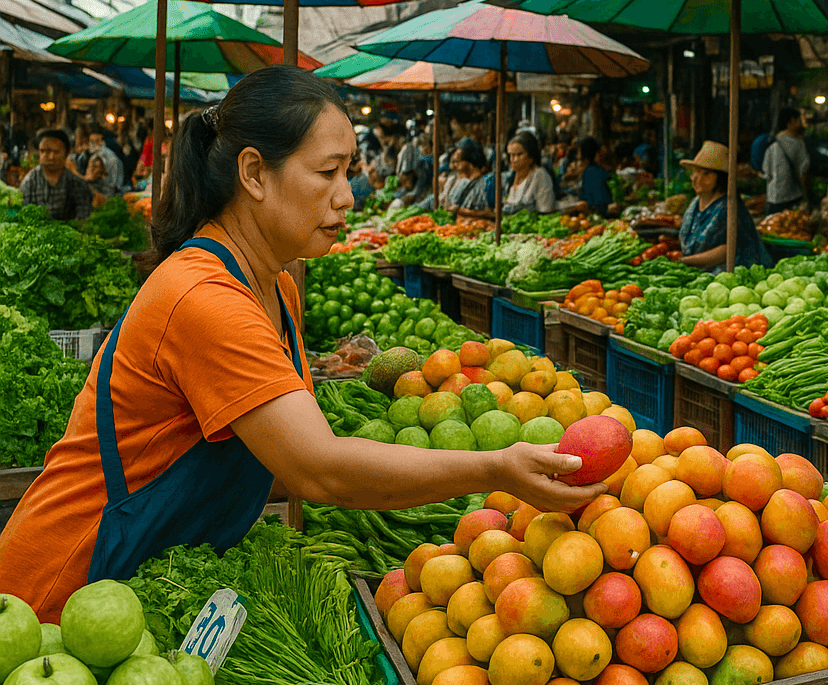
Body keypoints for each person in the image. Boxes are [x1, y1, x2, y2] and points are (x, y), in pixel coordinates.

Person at [0, 68, 600, 618]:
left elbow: (289, 459)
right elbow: (319, 471)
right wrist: (495, 467)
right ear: (255, 174)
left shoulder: (275, 287)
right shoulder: (204, 298)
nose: (348, 196)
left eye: (348, 172)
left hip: (136, 593)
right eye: (328, 172)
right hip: (59, 592)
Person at [678, 141, 772, 271]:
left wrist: (685, 261)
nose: (697, 178)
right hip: (697, 271)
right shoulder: (695, 203)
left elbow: (727, 251)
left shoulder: (728, 207)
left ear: (720, 178)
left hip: (729, 275)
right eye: (696, 172)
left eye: (706, 174)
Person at [20, 129, 93, 221]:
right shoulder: (29, 182)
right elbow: (22, 216)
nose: (51, 157)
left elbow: (84, 218)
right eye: (45, 151)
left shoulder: (76, 183)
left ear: (66, 153)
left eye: (56, 152)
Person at [762, 107, 810, 215]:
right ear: (792, 121)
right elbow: (804, 172)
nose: (801, 123)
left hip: (772, 199)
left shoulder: (772, 142)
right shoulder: (798, 143)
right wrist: (807, 197)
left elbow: (766, 172)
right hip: (791, 198)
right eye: (799, 120)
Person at [503, 133, 558, 215]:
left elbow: (546, 211)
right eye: (511, 155)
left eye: (519, 154)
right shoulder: (512, 176)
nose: (514, 159)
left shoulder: (540, 175)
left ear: (531, 156)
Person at [566, 137, 614, 217]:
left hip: (600, 216)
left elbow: (598, 203)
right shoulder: (598, 170)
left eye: (579, 151)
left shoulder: (591, 171)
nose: (577, 155)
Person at [447, 141, 494, 219]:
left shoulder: (488, 182)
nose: (455, 165)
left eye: (458, 161)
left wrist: (461, 211)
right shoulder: (463, 182)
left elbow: (493, 212)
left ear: (470, 162)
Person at [89, 129, 128, 196]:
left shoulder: (106, 158)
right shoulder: (95, 156)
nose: (90, 145)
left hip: (109, 193)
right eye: (91, 142)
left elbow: (113, 186)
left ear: (101, 141)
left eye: (94, 142)